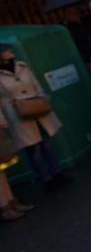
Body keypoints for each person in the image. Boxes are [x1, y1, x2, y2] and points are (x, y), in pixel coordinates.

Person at [0, 43, 72, 188]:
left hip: (36, 107)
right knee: (34, 149)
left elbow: (35, 83)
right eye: (6, 51)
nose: (10, 52)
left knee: (46, 144)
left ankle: (56, 172)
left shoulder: (22, 66)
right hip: (17, 113)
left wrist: (41, 97)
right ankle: (46, 178)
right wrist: (2, 119)